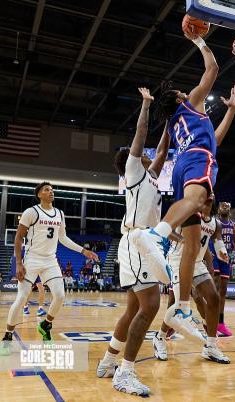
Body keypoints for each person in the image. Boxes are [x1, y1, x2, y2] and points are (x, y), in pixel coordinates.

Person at [135, 29, 235, 335]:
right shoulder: (190, 103)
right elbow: (212, 69)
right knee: (197, 202)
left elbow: (216, 140)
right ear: (180, 98)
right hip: (197, 159)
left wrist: (231, 110)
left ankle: (182, 307)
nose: (188, 91)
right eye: (183, 91)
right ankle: (157, 235)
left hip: (184, 162)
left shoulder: (175, 121)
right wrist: (198, 40)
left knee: (192, 245)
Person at [96, 87, 173, 397]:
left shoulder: (151, 175)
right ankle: (125, 373)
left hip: (142, 242)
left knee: (132, 311)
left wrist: (171, 118)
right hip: (137, 242)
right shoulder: (132, 171)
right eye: (136, 151)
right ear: (128, 160)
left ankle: (108, 361)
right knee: (151, 306)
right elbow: (141, 134)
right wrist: (145, 104)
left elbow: (164, 151)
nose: (143, 152)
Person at [0, 182, 98, 355]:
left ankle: (45, 325)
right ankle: (8, 335)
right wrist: (19, 263)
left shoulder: (59, 213)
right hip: (32, 259)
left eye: (52, 190)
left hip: (50, 261)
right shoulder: (31, 212)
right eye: (46, 190)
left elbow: (64, 238)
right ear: (39, 194)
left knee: (60, 295)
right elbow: (18, 238)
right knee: (21, 298)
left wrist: (83, 251)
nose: (51, 192)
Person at [154, 197, 230, 363]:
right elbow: (164, 229)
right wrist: (180, 239)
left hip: (196, 262)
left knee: (213, 298)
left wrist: (222, 252)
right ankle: (159, 337)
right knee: (178, 305)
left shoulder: (215, 223)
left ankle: (210, 347)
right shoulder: (188, 213)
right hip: (177, 259)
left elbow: (217, 242)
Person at [213, 201, 235, 337]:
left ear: (230, 210)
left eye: (227, 206)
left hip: (226, 257)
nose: (224, 208)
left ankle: (220, 323)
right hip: (214, 255)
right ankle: (210, 320)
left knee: (223, 290)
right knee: (215, 287)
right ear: (218, 209)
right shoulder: (214, 221)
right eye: (222, 206)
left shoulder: (232, 225)